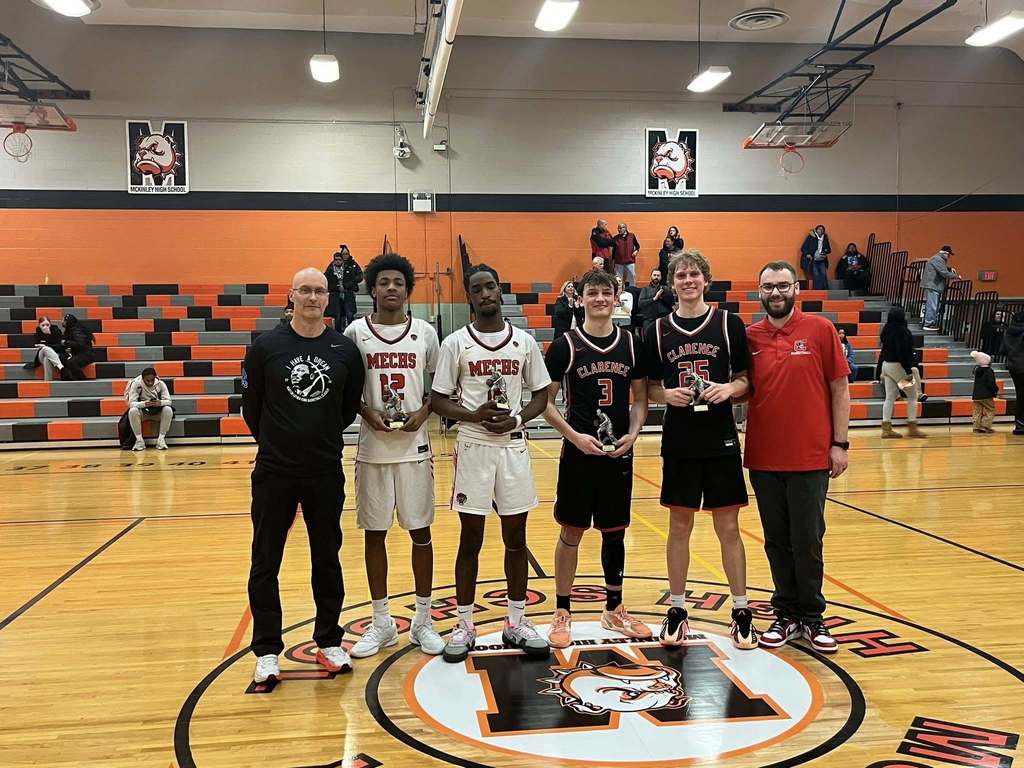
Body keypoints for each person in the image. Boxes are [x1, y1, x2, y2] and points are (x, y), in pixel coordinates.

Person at [241, 267, 365, 685]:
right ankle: (267, 650)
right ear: (291, 295)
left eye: (319, 291)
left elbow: (348, 408)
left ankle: (329, 639)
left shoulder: (343, 350)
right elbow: (252, 407)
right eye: (305, 291)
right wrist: (278, 442)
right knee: (265, 561)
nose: (312, 298)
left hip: (324, 470)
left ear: (328, 298)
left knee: (326, 558)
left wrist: (317, 438)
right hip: (275, 471)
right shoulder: (266, 347)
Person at [430, 264, 552, 663]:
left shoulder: (524, 342)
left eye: (491, 287)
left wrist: (516, 418)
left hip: (513, 445)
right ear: (469, 297)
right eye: (477, 289)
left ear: (501, 292)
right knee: (471, 538)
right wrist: (473, 415)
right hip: (474, 445)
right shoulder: (455, 343)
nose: (485, 294)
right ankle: (465, 625)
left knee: (516, 538)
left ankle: (515, 621)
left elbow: (541, 394)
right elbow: (439, 399)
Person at [644, 250, 759, 651]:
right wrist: (665, 395)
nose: (688, 280)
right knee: (679, 527)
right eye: (681, 275)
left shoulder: (729, 324)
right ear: (672, 283)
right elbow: (648, 387)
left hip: (721, 437)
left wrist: (729, 388)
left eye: (694, 273)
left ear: (705, 280)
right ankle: (677, 609)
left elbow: (746, 381)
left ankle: (742, 611)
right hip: (680, 438)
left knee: (728, 527)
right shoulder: (657, 330)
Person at [745, 261, 850, 654]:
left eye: (782, 286)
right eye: (768, 286)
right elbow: (743, 387)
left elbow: (840, 389)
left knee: (807, 540)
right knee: (776, 541)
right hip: (764, 456)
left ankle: (812, 616)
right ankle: (785, 613)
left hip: (810, 457)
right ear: (760, 291)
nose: (776, 293)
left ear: (796, 290)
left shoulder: (820, 330)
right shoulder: (750, 336)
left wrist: (840, 443)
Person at [344, 253, 445, 658]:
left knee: (421, 533)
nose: (391, 288)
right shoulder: (354, 332)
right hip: (373, 448)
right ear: (372, 288)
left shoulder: (424, 332)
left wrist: (423, 412)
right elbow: (349, 388)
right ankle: (382, 622)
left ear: (407, 290)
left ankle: (422, 621)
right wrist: (367, 413)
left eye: (398, 283)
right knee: (375, 533)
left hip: (415, 448)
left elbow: (438, 387)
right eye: (383, 282)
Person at [542, 269, 650, 648]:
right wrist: (574, 437)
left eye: (607, 292)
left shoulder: (632, 344)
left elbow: (640, 400)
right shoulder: (565, 345)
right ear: (580, 298)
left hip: (617, 452)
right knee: (571, 531)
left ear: (617, 297)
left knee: (614, 532)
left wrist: (634, 434)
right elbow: (546, 405)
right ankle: (562, 611)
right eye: (593, 292)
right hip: (579, 453)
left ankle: (613, 609)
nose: (600, 298)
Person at [875, 307, 925, 439]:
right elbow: (903, 353)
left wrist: (879, 370)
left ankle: (886, 428)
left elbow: (883, 351)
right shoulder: (903, 332)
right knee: (913, 395)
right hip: (898, 367)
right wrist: (908, 369)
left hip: (886, 366)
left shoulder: (886, 330)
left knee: (890, 397)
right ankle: (912, 427)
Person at [124, 366, 173, 451]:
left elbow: (169, 401)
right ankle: (139, 441)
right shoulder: (136, 384)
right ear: (142, 378)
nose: (150, 383)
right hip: (143, 413)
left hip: (157, 412)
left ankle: (161, 439)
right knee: (132, 411)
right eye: (147, 381)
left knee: (168, 409)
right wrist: (144, 404)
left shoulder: (160, 384)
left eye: (152, 380)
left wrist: (160, 403)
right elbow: (131, 404)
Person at [325, 246, 364, 331]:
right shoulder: (331, 268)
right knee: (338, 316)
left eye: (346, 254)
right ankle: (339, 333)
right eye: (344, 254)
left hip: (348, 293)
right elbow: (327, 280)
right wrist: (337, 287)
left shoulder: (351, 266)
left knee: (349, 314)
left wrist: (347, 285)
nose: (345, 256)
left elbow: (358, 277)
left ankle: (351, 332)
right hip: (336, 294)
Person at [920, 246, 957, 331]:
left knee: (932, 305)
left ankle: (929, 322)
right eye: (949, 255)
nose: (949, 257)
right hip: (934, 285)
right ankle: (928, 323)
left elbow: (940, 269)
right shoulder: (938, 259)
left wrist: (949, 268)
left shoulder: (937, 258)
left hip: (933, 285)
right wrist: (956, 276)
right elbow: (943, 272)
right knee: (932, 305)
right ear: (945, 253)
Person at [1000, 310, 1024, 435]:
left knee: (1020, 396)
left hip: (1014, 367)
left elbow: (1002, 350)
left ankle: (1019, 425)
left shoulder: (1008, 331)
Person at [637, 269, 675, 339]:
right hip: (649, 318)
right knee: (647, 338)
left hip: (664, 317)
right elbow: (640, 304)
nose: (656, 277)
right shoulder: (645, 289)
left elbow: (671, 303)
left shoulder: (666, 288)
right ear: (651, 276)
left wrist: (663, 296)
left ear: (661, 277)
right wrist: (654, 298)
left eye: (658, 275)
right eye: (654, 275)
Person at [970, 350, 998, 434]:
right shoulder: (989, 371)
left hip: (976, 395)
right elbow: (991, 383)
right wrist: (995, 390)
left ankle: (976, 427)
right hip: (987, 395)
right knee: (991, 410)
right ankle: (985, 426)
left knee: (977, 411)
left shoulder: (977, 370)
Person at [61, 313, 95, 380]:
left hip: (86, 355)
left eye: (63, 320)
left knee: (71, 362)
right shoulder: (69, 330)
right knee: (64, 359)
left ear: (67, 321)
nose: (61, 321)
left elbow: (80, 344)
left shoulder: (76, 331)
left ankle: (83, 380)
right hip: (79, 353)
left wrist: (65, 342)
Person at [799, 225, 831, 291]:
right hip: (813, 259)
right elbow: (803, 248)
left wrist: (825, 251)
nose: (821, 230)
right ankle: (818, 290)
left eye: (822, 229)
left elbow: (829, 249)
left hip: (821, 259)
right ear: (816, 230)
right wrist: (807, 254)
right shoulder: (811, 237)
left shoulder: (825, 238)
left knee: (823, 273)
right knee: (816, 274)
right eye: (819, 229)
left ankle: (825, 289)